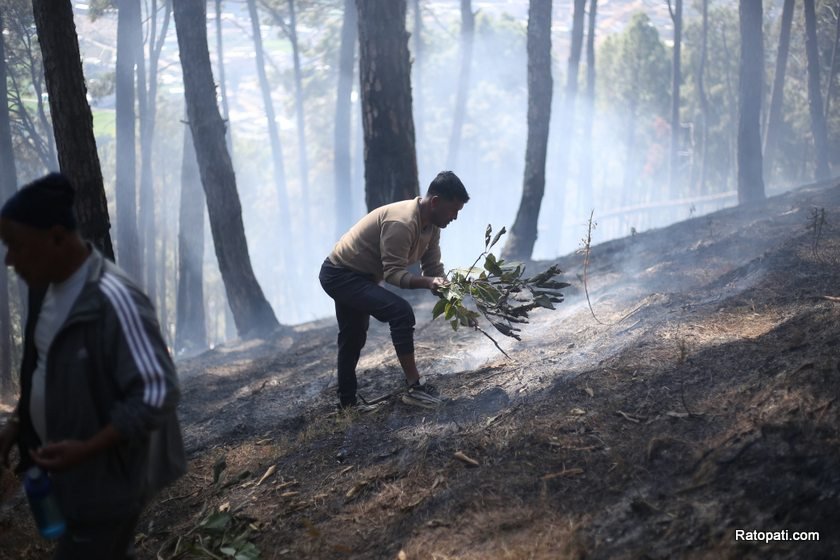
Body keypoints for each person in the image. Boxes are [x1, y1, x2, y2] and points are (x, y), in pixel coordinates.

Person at [0, 173, 186, 559]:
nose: (9, 260)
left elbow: (157, 390)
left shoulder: (113, 298)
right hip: (73, 474)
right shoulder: (44, 289)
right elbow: (44, 368)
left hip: (110, 478)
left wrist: (87, 449)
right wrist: (17, 427)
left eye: (16, 246)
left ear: (55, 237)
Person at [319, 171, 470, 410]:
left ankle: (347, 406)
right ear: (435, 202)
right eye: (454, 210)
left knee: (353, 336)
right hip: (340, 274)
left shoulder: (431, 226)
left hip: (363, 276)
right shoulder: (401, 223)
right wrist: (429, 283)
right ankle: (415, 386)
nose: (455, 217)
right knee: (400, 313)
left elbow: (432, 266)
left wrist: (451, 290)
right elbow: (393, 275)